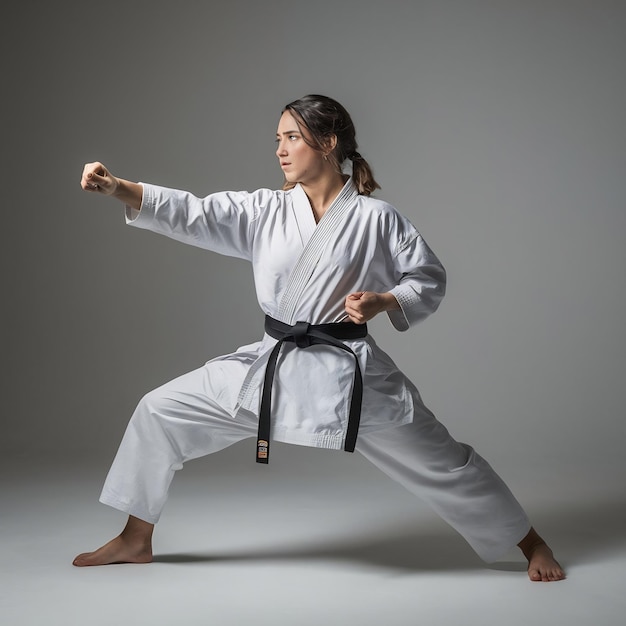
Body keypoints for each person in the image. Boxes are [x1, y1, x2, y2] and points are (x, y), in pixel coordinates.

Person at [74, 94, 564, 582]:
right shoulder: (266, 209)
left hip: (349, 374)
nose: (280, 150)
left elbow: (427, 278)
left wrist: (386, 301)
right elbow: (195, 212)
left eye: (291, 138)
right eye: (278, 139)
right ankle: (136, 538)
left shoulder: (377, 218)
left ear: (327, 143)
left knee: (444, 462)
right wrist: (119, 187)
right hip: (271, 366)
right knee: (160, 410)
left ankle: (531, 541)